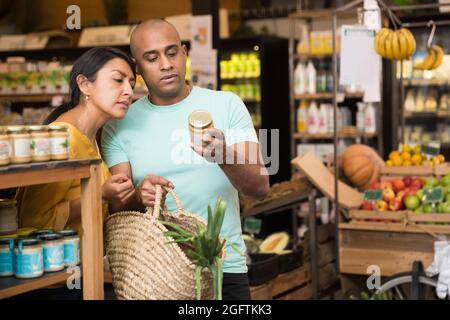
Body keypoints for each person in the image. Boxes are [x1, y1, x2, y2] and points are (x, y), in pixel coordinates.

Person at [101, 19, 270, 300]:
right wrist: (138, 198)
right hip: (155, 274)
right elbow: (119, 211)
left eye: (172, 52)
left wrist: (225, 155)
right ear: (137, 68)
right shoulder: (119, 124)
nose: (166, 64)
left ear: (184, 53)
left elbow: (260, 187)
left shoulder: (227, 105)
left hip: (223, 269)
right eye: (152, 58)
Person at [17, 47, 138, 234]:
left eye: (131, 84)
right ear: (84, 84)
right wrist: (100, 196)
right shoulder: (61, 140)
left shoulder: (91, 136)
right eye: (118, 80)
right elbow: (32, 220)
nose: (129, 91)